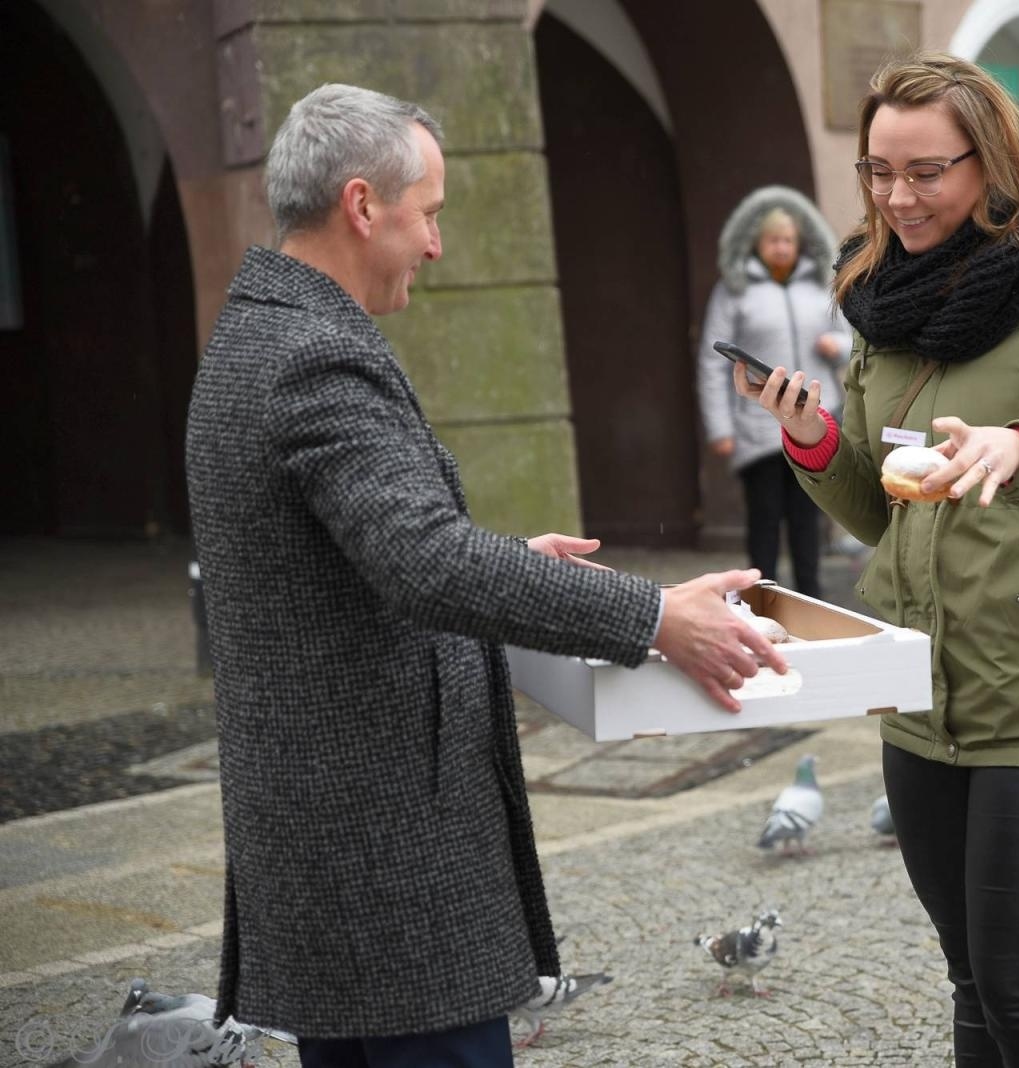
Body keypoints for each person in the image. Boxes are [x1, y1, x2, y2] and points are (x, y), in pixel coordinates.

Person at [184, 84, 785, 1067]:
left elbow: (371, 551)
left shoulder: (259, 326)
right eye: (429, 214)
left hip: (329, 848)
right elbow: (423, 562)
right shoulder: (314, 356)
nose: (436, 244)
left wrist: (504, 562)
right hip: (385, 858)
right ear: (362, 205)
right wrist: (651, 616)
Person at [736, 52, 1019, 1066]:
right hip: (927, 695)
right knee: (974, 983)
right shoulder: (880, 293)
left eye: (926, 171)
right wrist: (812, 445)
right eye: (877, 172)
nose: (896, 196)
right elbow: (881, 509)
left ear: (991, 162)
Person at [697, 186, 850, 597]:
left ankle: (812, 599)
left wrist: (838, 347)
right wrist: (720, 428)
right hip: (758, 426)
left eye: (788, 240)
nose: (781, 247)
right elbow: (713, 361)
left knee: (808, 520)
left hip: (816, 421)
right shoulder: (734, 290)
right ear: (757, 244)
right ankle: (760, 599)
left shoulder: (821, 285)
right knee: (764, 521)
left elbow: (851, 340)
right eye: (772, 240)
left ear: (799, 243)